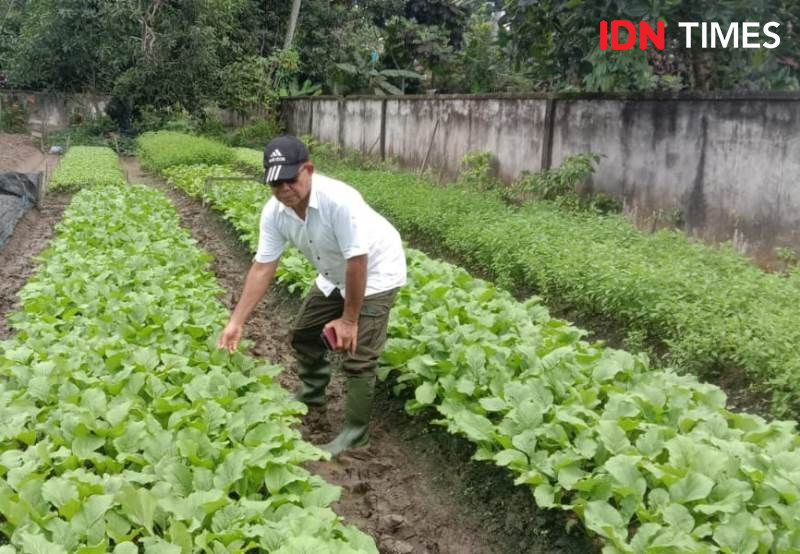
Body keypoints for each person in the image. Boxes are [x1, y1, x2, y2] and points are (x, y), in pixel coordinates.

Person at [218, 134, 406, 456]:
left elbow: (357, 261)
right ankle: (312, 393)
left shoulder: (338, 200)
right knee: (304, 332)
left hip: (375, 271)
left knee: (359, 354)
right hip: (334, 274)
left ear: (309, 169)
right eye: (275, 183)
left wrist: (348, 320)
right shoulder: (275, 213)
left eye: (290, 178)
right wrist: (236, 322)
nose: (284, 189)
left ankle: (356, 436)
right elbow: (263, 267)